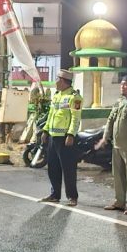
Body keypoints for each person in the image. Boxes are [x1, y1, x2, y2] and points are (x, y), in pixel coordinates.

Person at [97, 74, 127, 214]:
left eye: (125, 84)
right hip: (117, 145)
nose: (122, 87)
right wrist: (105, 137)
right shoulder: (119, 102)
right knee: (118, 175)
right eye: (121, 84)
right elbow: (110, 120)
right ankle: (119, 201)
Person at [39, 70, 82, 206]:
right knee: (53, 167)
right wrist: (45, 130)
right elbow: (51, 115)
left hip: (65, 139)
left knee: (68, 168)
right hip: (53, 137)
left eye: (57, 79)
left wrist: (71, 135)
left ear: (63, 81)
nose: (55, 82)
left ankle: (72, 197)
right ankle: (55, 194)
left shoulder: (74, 98)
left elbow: (76, 118)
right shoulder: (57, 96)